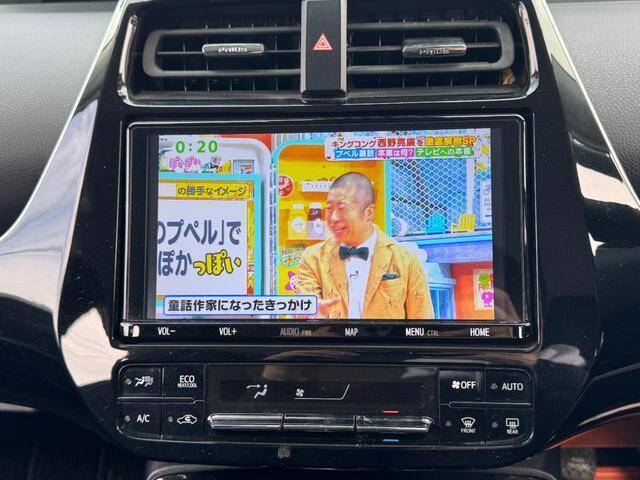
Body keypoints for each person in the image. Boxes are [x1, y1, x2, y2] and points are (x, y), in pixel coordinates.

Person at [296, 172, 434, 319]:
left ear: (368, 213)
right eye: (329, 208)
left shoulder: (406, 260)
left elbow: (422, 320)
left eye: (342, 208)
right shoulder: (312, 258)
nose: (333, 218)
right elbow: (304, 314)